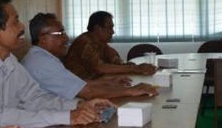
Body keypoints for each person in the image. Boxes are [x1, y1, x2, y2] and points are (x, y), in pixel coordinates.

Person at [0, 0, 112, 128]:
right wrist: (67, 117)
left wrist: (78, 105)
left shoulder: (8, 60)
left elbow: (34, 98)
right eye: (15, 22)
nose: (22, 27)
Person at [22, 13, 159, 100]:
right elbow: (88, 90)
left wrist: (109, 82)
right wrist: (132, 90)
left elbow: (76, 84)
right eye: (60, 34)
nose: (66, 38)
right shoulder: (43, 63)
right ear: (43, 38)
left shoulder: (44, 58)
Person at [64, 11, 156, 80]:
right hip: (79, 90)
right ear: (98, 28)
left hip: (95, 83)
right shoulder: (84, 43)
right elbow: (100, 68)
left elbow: (116, 61)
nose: (113, 32)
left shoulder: (100, 43)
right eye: (110, 27)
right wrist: (134, 68)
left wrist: (132, 66)